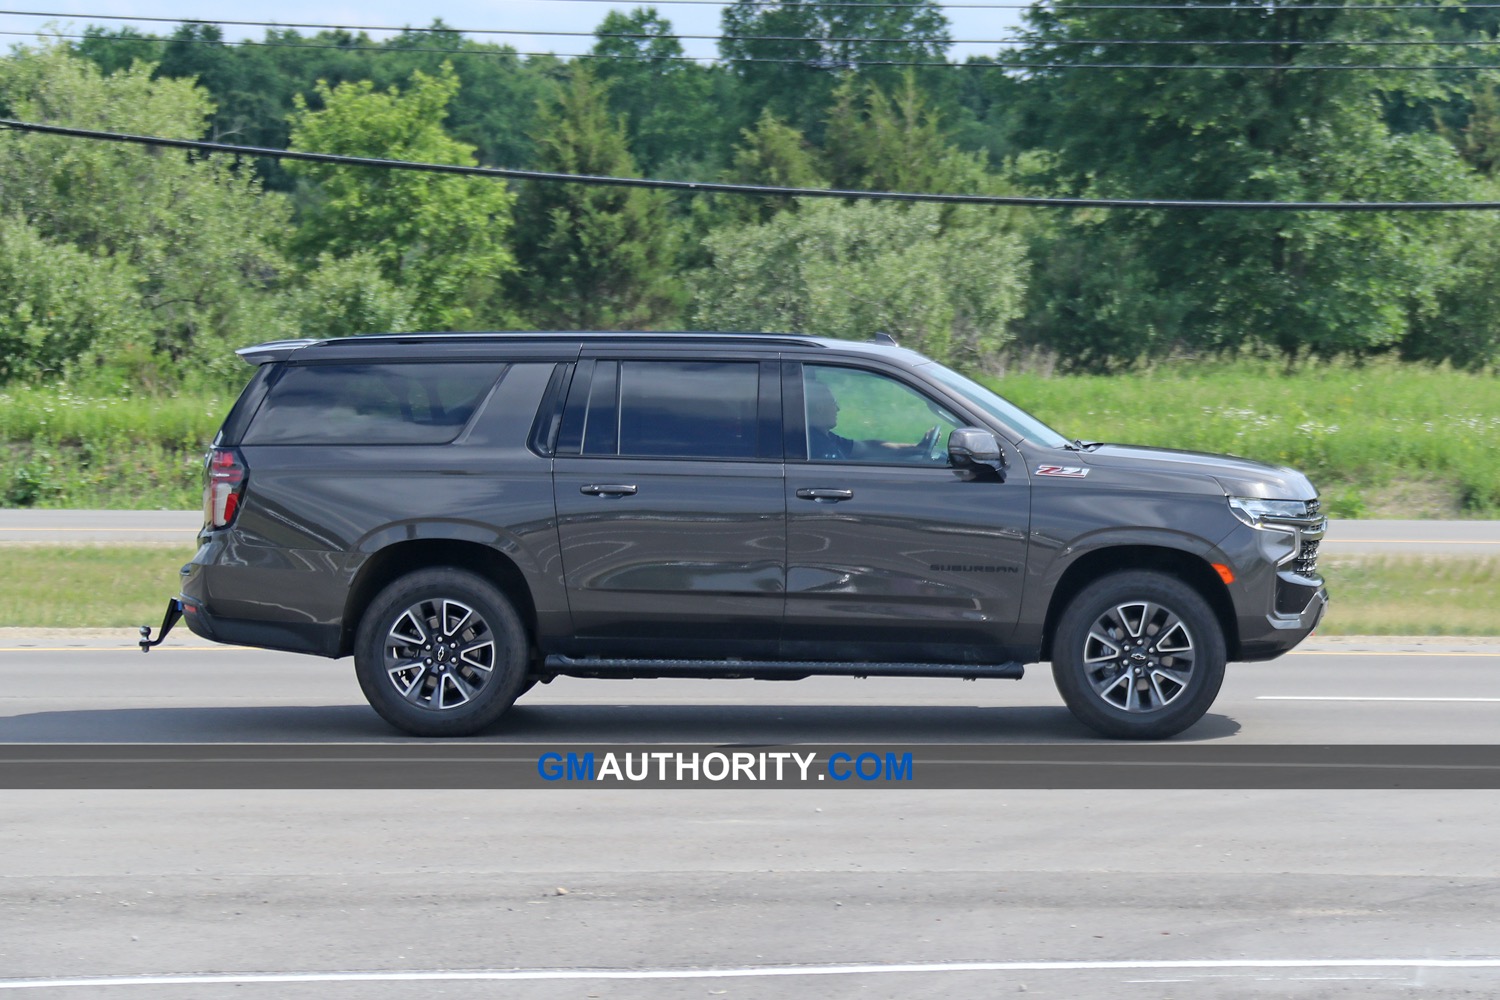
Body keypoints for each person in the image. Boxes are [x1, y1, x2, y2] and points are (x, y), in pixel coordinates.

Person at [805, 381, 853, 460]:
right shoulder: (817, 446)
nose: (838, 409)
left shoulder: (826, 437)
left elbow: (859, 447)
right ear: (820, 408)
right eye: (834, 403)